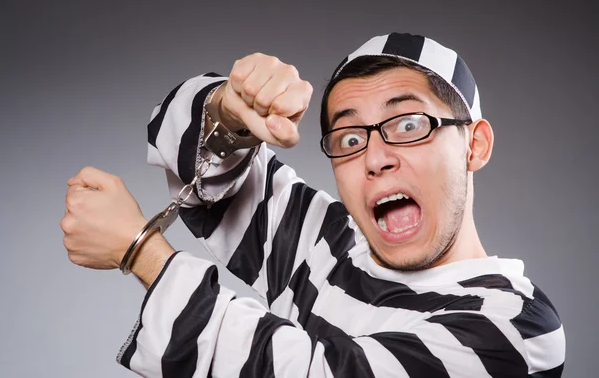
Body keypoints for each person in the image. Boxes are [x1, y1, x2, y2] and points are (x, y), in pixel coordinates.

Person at [61, 33, 566, 377]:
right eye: (350, 137)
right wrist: (232, 112)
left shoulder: (516, 327)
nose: (376, 158)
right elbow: (203, 172)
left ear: (473, 145)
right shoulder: (332, 246)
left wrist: (140, 252)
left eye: (409, 124)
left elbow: (315, 369)